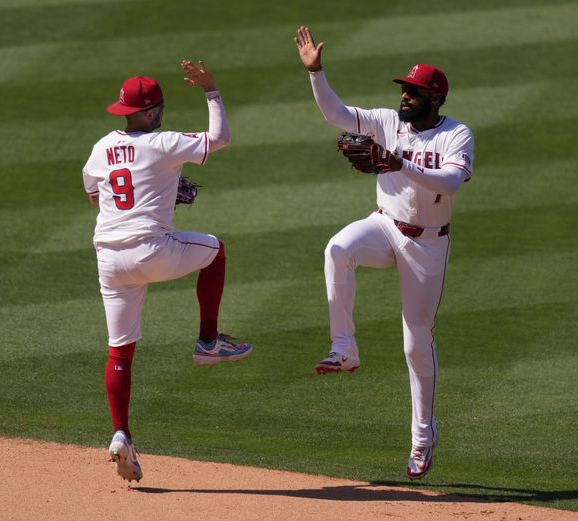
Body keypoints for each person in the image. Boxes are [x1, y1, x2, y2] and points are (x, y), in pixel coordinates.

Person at [294, 27, 475, 480]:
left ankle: (422, 437)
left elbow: (452, 182)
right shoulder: (385, 121)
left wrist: (399, 163)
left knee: (416, 343)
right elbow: (335, 114)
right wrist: (316, 72)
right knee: (338, 247)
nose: (405, 97)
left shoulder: (456, 135)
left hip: (427, 243)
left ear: (435, 98)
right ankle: (344, 347)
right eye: (404, 90)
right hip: (385, 225)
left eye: (414, 92)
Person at [82, 60, 252, 483]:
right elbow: (220, 138)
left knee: (120, 350)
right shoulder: (164, 143)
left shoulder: (101, 147)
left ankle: (121, 433)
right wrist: (211, 90)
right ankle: (209, 342)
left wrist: (152, 192)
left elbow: (96, 197)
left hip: (109, 260)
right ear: (152, 111)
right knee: (215, 251)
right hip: (152, 250)